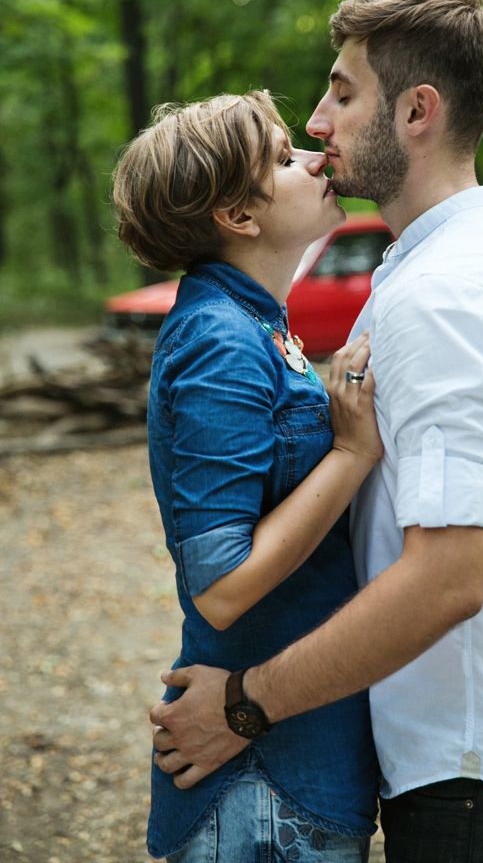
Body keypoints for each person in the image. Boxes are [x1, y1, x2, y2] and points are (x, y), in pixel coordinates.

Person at [150, 0, 483, 863]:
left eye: (341, 90)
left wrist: (244, 704)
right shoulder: (431, 264)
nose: (318, 122)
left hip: (480, 771)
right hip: (465, 760)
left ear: (416, 111)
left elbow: (447, 580)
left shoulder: (450, 295)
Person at [112, 91, 382, 861]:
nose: (311, 158)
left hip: (291, 754)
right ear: (238, 215)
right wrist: (352, 453)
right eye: (279, 155)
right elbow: (221, 585)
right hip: (259, 782)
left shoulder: (253, 322)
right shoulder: (218, 338)